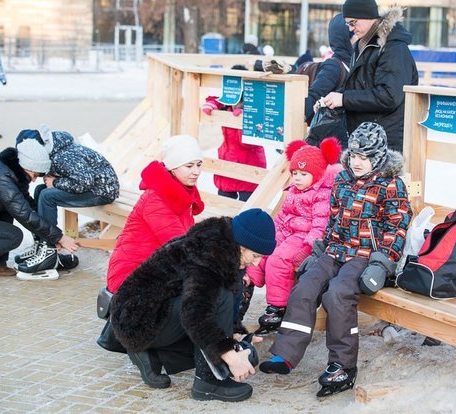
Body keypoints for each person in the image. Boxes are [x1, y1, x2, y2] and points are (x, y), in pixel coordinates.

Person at [259, 122, 412, 398]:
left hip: (365, 256)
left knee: (338, 295)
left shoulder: (391, 185)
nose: (357, 162)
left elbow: (396, 227)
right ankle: (286, 353)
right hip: (336, 250)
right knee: (304, 287)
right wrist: (318, 252)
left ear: (378, 156)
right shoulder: (342, 179)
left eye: (364, 157)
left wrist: (381, 264)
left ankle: (342, 365)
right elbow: (333, 221)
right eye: (353, 155)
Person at [110, 208, 276, 402]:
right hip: (137, 322)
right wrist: (228, 354)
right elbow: (195, 314)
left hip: (158, 311)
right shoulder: (208, 257)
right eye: (255, 256)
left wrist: (234, 334)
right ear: (241, 245)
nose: (256, 263)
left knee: (215, 334)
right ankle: (209, 382)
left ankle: (155, 356)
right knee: (218, 298)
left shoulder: (227, 251)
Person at [96, 135, 205, 354]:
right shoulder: (157, 198)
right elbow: (178, 244)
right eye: (189, 166)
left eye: (199, 164)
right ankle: (145, 344)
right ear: (172, 167)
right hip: (131, 275)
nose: (196, 171)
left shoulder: (179, 193)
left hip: (154, 267)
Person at [246, 138, 342, 334]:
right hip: (286, 232)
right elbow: (282, 216)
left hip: (303, 238)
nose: (297, 178)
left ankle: (277, 307)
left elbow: (320, 227)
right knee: (261, 253)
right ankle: (246, 284)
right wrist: (269, 235)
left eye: (303, 174)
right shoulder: (293, 190)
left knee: (278, 260)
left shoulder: (322, 195)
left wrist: (307, 249)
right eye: (295, 173)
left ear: (317, 174)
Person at [0, 140, 78, 281]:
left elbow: (27, 205)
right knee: (13, 236)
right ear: (26, 166)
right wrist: (59, 237)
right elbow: (25, 215)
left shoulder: (9, 171)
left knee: (7, 211)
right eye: (35, 175)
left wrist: (48, 237)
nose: (35, 180)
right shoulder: (3, 181)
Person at [13, 127, 119, 274]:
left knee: (47, 196)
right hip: (91, 187)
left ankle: (49, 249)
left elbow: (84, 182)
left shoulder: (61, 156)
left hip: (102, 191)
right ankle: (41, 242)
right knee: (39, 191)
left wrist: (55, 182)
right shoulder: (52, 151)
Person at [319, 0, 418, 153]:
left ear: (367, 16)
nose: (351, 28)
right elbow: (357, 85)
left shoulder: (393, 47)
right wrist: (331, 99)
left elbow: (389, 96)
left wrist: (344, 99)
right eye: (348, 24)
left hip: (386, 142)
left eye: (353, 22)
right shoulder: (362, 45)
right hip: (367, 137)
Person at [202, 72, 267, 202]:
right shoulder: (227, 109)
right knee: (223, 204)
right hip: (227, 162)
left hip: (249, 167)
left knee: (246, 206)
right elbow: (218, 98)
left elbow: (248, 143)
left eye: (239, 101)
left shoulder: (256, 112)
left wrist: (244, 121)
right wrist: (214, 103)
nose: (235, 104)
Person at [304, 13, 353, 124]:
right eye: (353, 33)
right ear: (345, 38)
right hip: (330, 132)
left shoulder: (355, 62)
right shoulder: (333, 66)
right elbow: (313, 96)